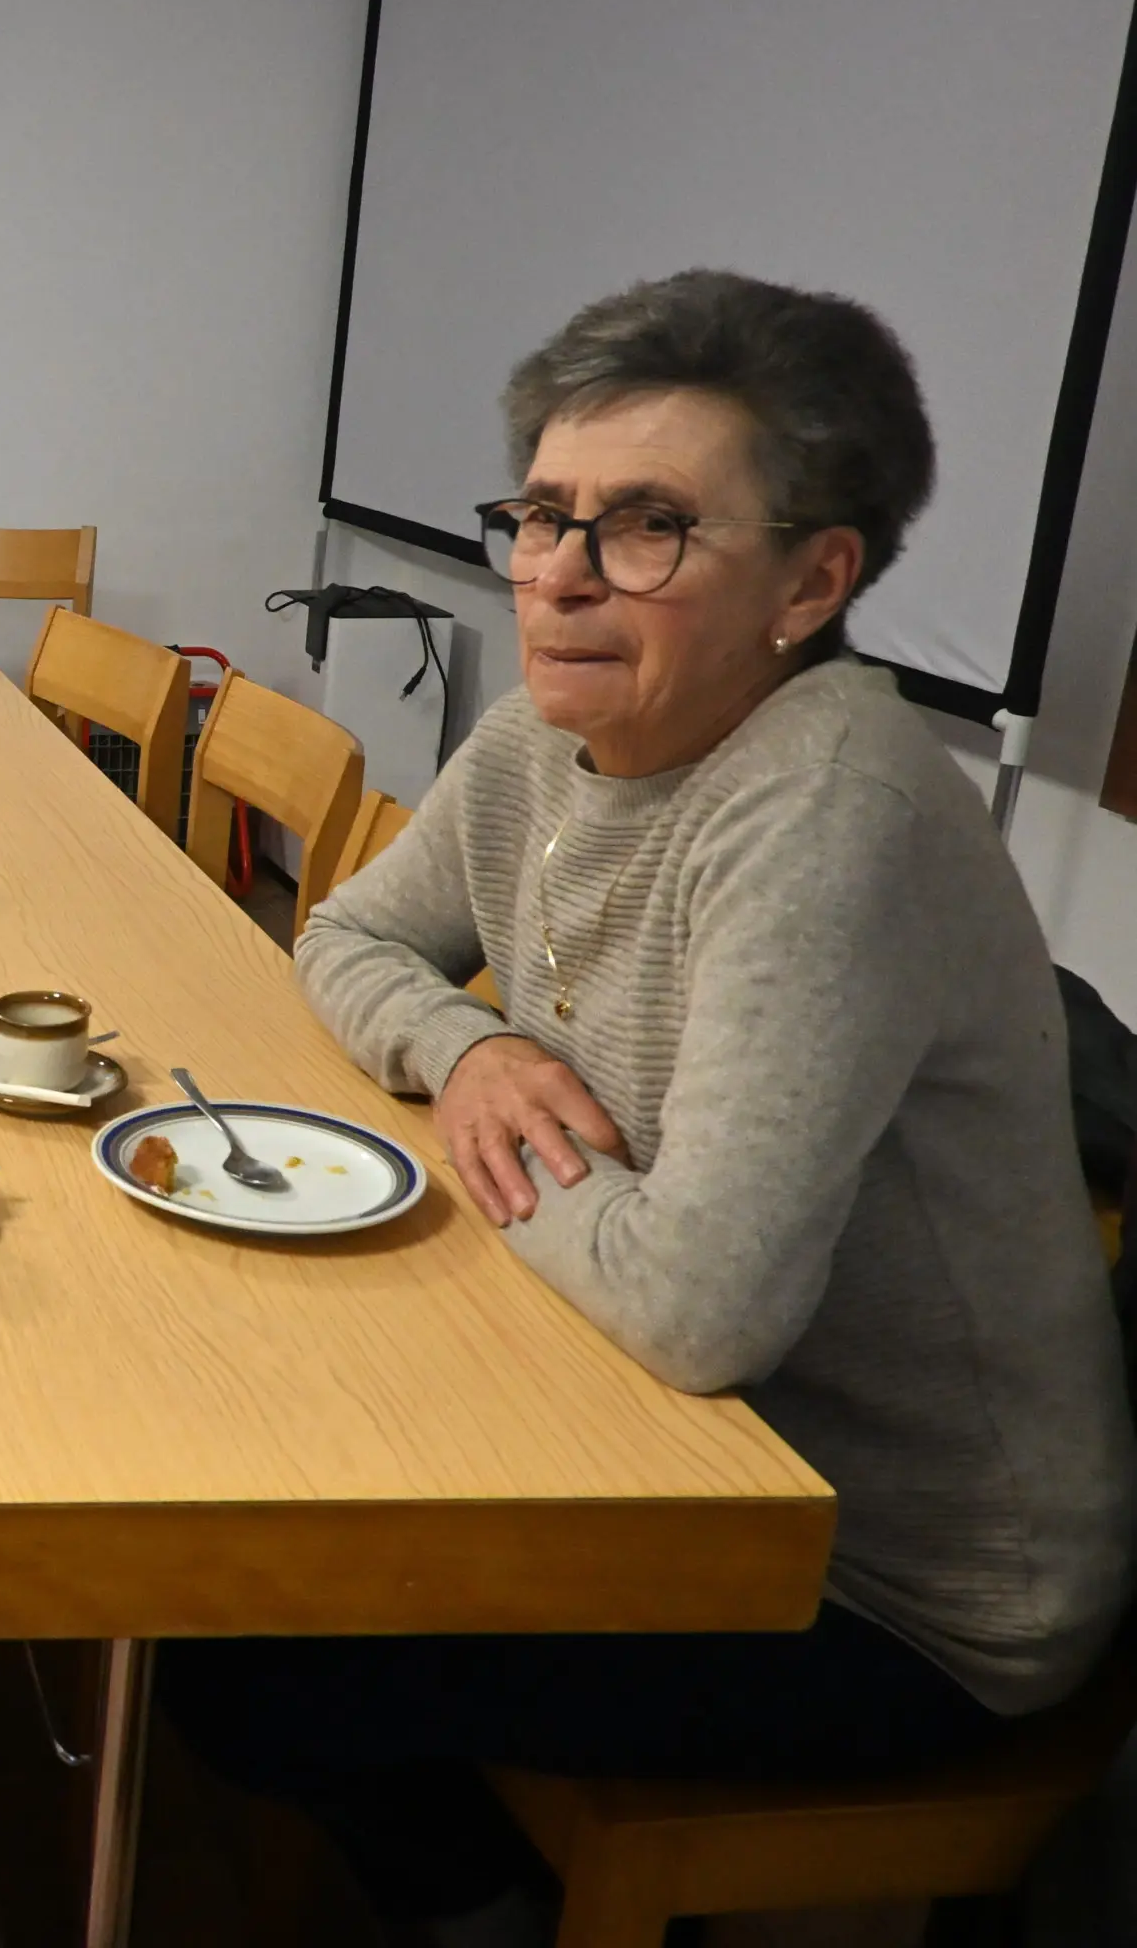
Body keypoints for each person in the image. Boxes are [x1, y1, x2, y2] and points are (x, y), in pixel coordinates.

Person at [157, 270, 1137, 1944]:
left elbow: (696, 1310)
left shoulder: (831, 817)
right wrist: (467, 1056)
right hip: (656, 1455)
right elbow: (351, 934)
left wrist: (485, 1151)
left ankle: (500, 1911)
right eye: (541, 516)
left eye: (645, 528)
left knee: (252, 1651)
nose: (556, 579)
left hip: (891, 1583)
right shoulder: (561, 730)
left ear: (813, 580)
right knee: (232, 1529)